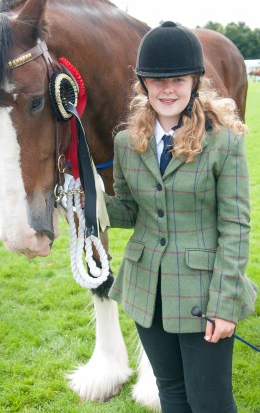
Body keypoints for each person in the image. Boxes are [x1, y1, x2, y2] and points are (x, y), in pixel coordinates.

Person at [102, 21, 257, 413]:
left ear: (195, 81)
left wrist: (224, 303)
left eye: (177, 79)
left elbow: (235, 226)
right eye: (156, 80)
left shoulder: (224, 141)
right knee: (170, 393)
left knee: (211, 401)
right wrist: (87, 204)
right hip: (146, 291)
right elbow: (130, 210)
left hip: (203, 294)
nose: (167, 89)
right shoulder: (126, 143)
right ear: (143, 84)